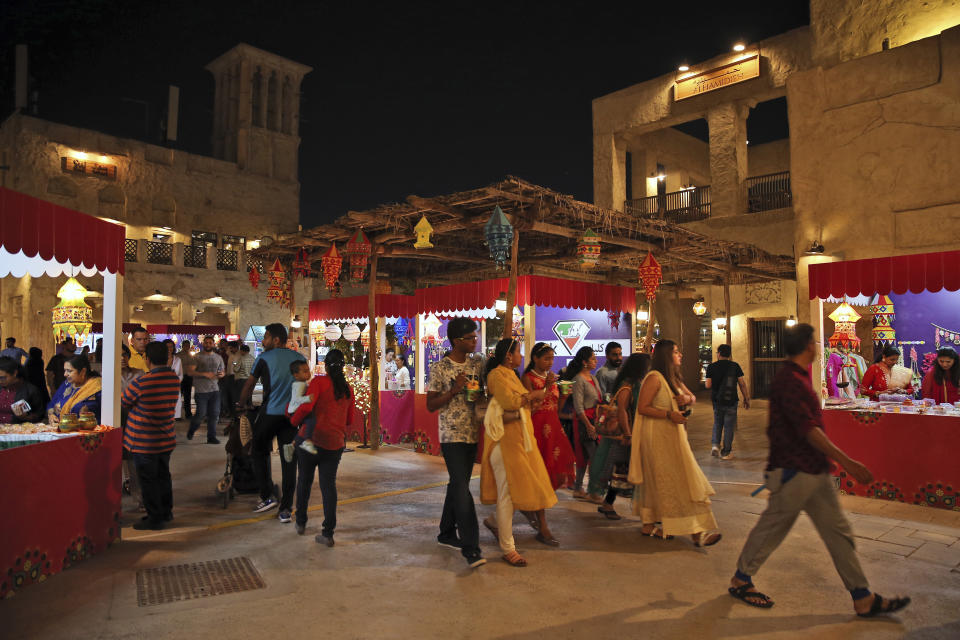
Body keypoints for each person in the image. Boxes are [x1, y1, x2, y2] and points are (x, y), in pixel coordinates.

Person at [728, 323, 911, 617]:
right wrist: (848, 462)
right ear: (808, 346)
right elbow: (808, 429)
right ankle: (741, 579)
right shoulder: (789, 381)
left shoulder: (798, 377)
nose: (818, 346)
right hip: (793, 471)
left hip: (813, 470)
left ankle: (862, 596)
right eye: (815, 341)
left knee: (837, 532)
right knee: (772, 528)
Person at [628, 339, 721, 546]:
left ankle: (654, 524)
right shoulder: (654, 378)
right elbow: (642, 408)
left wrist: (685, 401)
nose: (680, 355)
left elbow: (692, 398)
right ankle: (695, 531)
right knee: (674, 482)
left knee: (677, 480)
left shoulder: (673, 378)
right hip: (658, 438)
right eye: (676, 352)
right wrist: (669, 414)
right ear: (666, 356)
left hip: (675, 437)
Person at [481, 338, 559, 565]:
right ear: (508, 356)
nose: (520, 356)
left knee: (519, 488)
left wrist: (542, 390)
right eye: (518, 352)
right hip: (504, 442)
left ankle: (496, 522)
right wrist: (531, 396)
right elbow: (511, 402)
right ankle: (508, 548)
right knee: (507, 495)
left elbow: (524, 404)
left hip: (518, 440)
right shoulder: (496, 375)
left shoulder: (511, 374)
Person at [426, 317, 486, 569]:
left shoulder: (478, 362)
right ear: (457, 341)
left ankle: (446, 533)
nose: (475, 341)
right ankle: (471, 547)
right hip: (451, 436)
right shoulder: (440, 368)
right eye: (471, 338)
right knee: (462, 488)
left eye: (475, 337)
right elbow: (430, 405)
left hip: (473, 432)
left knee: (456, 484)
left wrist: (479, 392)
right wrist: (454, 390)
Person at [237, 323, 306, 522]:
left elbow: (249, 384)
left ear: (275, 340)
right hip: (291, 419)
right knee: (289, 462)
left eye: (265, 337)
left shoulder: (264, 358)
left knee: (258, 450)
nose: (263, 341)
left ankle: (267, 496)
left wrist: (241, 403)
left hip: (270, 414)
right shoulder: (300, 358)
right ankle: (285, 509)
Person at [290, 349, 355, 543]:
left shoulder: (319, 382)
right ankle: (328, 533)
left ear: (325, 365)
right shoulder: (347, 388)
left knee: (304, 481)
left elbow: (307, 406)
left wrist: (294, 422)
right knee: (329, 486)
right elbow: (350, 419)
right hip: (334, 443)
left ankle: (301, 522)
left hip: (311, 439)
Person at [121, 341, 181, 530]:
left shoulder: (142, 382)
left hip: (144, 441)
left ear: (147, 360)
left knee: (148, 480)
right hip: (165, 438)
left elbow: (124, 401)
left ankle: (155, 518)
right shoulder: (173, 379)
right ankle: (166, 511)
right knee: (163, 476)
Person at [587, 353, 650, 518]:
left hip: (631, 433)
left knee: (622, 470)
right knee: (618, 470)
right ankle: (608, 504)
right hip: (624, 435)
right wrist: (628, 434)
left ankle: (610, 504)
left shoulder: (635, 383)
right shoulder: (628, 386)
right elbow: (622, 410)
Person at [521, 342, 575, 491]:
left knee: (561, 456)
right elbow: (528, 406)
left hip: (554, 424)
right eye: (546, 358)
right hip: (537, 424)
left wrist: (564, 396)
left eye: (552, 358)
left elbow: (556, 408)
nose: (550, 362)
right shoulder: (528, 378)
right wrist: (546, 385)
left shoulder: (551, 378)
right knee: (539, 459)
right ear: (535, 358)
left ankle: (546, 490)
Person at [563, 347, 601, 500]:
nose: (596, 361)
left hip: (594, 420)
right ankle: (593, 491)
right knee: (595, 457)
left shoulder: (593, 378)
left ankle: (579, 488)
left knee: (585, 456)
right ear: (585, 362)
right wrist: (589, 425)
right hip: (585, 422)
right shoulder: (579, 379)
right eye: (593, 358)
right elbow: (579, 407)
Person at [705, 343, 750, 460]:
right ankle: (726, 452)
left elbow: (708, 385)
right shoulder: (735, 366)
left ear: (718, 353)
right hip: (731, 400)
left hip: (717, 400)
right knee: (729, 426)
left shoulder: (711, 367)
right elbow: (742, 384)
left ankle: (715, 445)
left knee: (717, 423)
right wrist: (746, 398)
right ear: (729, 354)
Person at [119, 344, 145, 508]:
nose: (122, 358)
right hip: (113, 422)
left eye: (124, 355)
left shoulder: (138, 374)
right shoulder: (104, 375)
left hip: (133, 422)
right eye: (118, 355)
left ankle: (140, 498)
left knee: (133, 462)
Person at [186, 335, 225, 444]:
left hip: (215, 390)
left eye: (210, 343)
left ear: (213, 344)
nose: (208, 344)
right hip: (201, 391)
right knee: (200, 414)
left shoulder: (218, 357)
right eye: (206, 342)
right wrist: (205, 374)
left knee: (214, 414)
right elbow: (190, 372)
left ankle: (211, 436)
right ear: (203, 344)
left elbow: (222, 372)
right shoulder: (197, 357)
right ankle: (192, 429)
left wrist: (221, 374)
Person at [47, 354, 102, 424]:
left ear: (83, 371)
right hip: (61, 430)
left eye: (69, 371)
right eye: (65, 370)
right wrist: (51, 415)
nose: (65, 374)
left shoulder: (96, 387)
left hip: (87, 432)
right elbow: (52, 404)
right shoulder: (66, 384)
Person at [0, 357, 46, 423]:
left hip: (18, 431)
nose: (0, 381)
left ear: (15, 373)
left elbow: (40, 415)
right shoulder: (1, 388)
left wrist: (25, 417)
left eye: (2, 378)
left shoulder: (30, 390)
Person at [288, 360, 317, 454]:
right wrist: (308, 398)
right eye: (305, 371)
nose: (308, 373)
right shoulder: (299, 385)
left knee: (303, 428)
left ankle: (292, 445)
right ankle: (307, 441)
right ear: (296, 375)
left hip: (295, 410)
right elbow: (296, 399)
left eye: (308, 370)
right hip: (296, 411)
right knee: (311, 420)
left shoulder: (301, 383)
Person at [163, 339, 184, 420]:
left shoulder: (178, 360)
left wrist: (174, 381)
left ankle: (176, 416)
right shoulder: (160, 359)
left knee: (176, 403)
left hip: (174, 386)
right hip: (162, 386)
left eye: (171, 347)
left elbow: (181, 375)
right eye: (167, 347)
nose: (169, 349)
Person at [177, 340, 196, 418]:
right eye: (185, 345)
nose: (187, 347)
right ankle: (177, 414)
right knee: (178, 396)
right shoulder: (178, 355)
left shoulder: (191, 356)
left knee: (187, 396)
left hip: (188, 377)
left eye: (188, 346)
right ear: (182, 346)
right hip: (180, 377)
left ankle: (188, 414)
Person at [221, 341, 240, 419]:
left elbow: (236, 365)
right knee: (228, 395)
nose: (229, 349)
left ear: (235, 348)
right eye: (229, 348)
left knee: (233, 396)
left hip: (234, 377)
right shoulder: (231, 354)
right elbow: (227, 351)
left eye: (231, 348)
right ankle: (230, 412)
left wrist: (235, 364)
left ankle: (234, 413)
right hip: (229, 376)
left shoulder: (238, 355)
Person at [234, 344, 256, 408]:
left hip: (241, 380)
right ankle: (249, 410)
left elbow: (236, 369)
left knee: (241, 396)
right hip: (250, 379)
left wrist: (234, 364)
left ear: (243, 351)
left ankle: (241, 412)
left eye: (240, 350)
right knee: (249, 395)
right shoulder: (253, 359)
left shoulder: (241, 359)